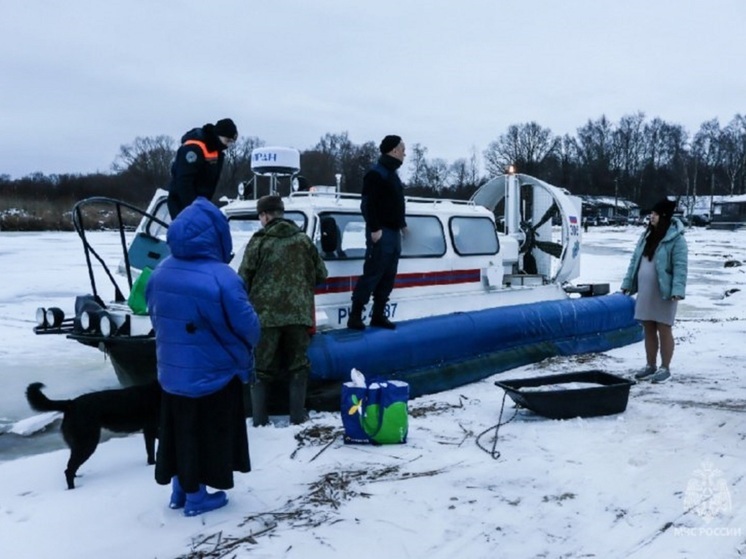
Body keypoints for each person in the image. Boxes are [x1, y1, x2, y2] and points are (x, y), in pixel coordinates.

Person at [146, 197, 260, 517]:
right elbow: (249, 327)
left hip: (172, 373)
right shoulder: (222, 277)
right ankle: (197, 499)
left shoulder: (160, 271)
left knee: (179, 431)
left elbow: (153, 314)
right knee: (208, 434)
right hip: (214, 374)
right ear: (216, 235)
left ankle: (180, 489)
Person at [238, 195, 328, 426]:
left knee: (261, 368)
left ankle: (259, 420)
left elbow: (243, 278)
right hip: (298, 315)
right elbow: (321, 274)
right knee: (298, 365)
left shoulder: (259, 241)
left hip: (265, 317)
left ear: (266, 215)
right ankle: (297, 416)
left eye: (260, 216)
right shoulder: (303, 240)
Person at [621, 198, 688, 384]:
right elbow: (635, 262)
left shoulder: (677, 239)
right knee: (648, 328)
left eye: (656, 214)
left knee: (663, 328)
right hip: (645, 291)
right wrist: (628, 283)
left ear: (664, 216)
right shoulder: (646, 236)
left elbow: (680, 267)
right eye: (652, 213)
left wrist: (677, 290)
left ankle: (665, 367)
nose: (652, 216)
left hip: (664, 291)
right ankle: (650, 365)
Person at [347, 135, 407, 330]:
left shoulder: (392, 175)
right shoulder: (376, 174)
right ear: (395, 151)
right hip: (381, 232)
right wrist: (374, 229)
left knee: (389, 274)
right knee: (373, 272)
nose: (405, 154)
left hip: (393, 231)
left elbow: (396, 204)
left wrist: (402, 224)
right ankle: (356, 315)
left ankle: (378, 314)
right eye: (403, 150)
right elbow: (367, 204)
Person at [166, 118, 238, 219]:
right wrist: (194, 208)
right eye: (227, 140)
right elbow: (184, 181)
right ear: (218, 135)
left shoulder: (215, 150)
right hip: (183, 204)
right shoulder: (193, 149)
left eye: (231, 142)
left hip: (200, 204)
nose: (227, 145)